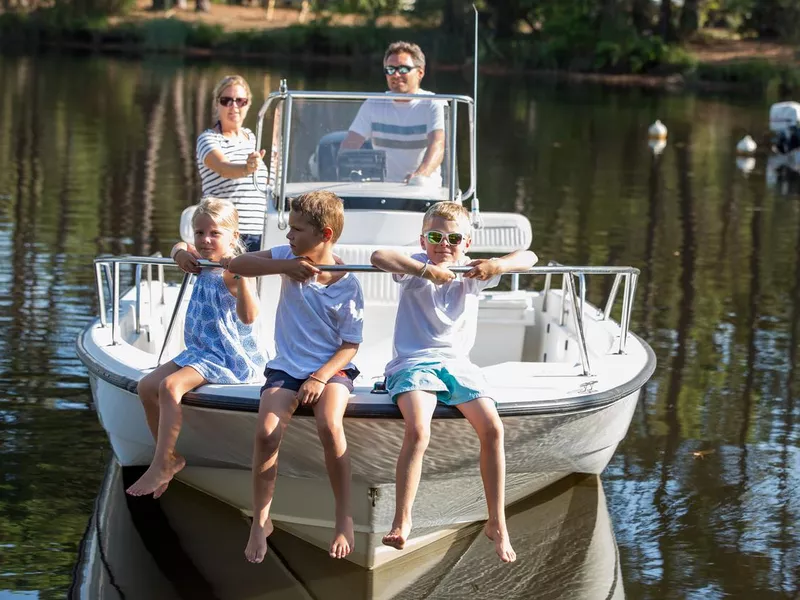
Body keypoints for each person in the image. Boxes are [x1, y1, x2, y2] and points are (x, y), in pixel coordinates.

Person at [370, 201, 538, 563]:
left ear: (467, 242)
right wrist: (424, 270)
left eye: (453, 238)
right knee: (419, 428)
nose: (443, 244)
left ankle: (497, 521)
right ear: (423, 239)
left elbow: (531, 257)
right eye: (435, 237)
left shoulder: (474, 271)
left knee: (493, 428)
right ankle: (403, 518)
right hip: (413, 362)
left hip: (458, 365)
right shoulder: (414, 267)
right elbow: (379, 256)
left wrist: (499, 265)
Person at [224, 191, 364, 563]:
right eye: (288, 228)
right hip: (287, 365)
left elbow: (351, 345)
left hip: (331, 368)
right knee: (267, 432)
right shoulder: (287, 257)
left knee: (330, 425)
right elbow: (238, 262)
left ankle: (343, 516)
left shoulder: (348, 283)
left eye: (297, 229)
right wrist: (282, 267)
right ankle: (262, 519)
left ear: (325, 234)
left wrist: (319, 377)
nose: (288, 236)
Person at [126, 198, 267, 499]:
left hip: (227, 356)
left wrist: (241, 277)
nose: (205, 240)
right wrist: (179, 252)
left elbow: (250, 316)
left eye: (214, 233)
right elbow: (178, 245)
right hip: (200, 351)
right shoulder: (200, 262)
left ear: (234, 236)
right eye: (199, 233)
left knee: (169, 386)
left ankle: (161, 463)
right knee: (145, 385)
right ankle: (169, 457)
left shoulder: (235, 269)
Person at [172, 75, 268, 276]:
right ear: (217, 104)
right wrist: (246, 168)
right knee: (228, 289)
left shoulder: (251, 137)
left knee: (255, 293)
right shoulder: (207, 139)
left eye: (240, 101)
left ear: (248, 104)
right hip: (222, 234)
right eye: (227, 100)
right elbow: (223, 167)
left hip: (260, 231)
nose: (234, 106)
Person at [340, 41, 445, 186]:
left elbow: (438, 143)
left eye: (403, 69)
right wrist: (344, 167)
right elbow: (350, 143)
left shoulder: (433, 103)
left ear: (420, 72)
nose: (395, 75)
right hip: (383, 189)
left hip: (423, 188)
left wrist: (420, 176)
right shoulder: (373, 103)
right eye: (390, 69)